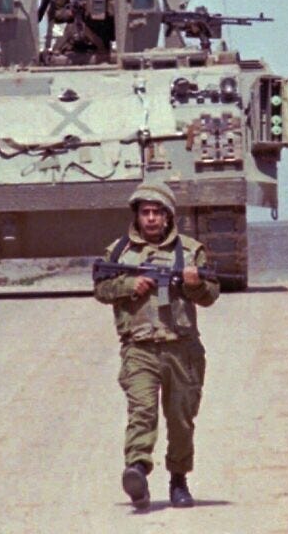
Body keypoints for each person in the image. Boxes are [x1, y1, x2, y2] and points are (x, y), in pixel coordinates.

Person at [93, 177, 220, 509]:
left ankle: (179, 480)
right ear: (136, 215)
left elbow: (210, 295)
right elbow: (101, 289)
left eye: (157, 212)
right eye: (145, 212)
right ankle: (137, 469)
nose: (150, 218)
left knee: (180, 419)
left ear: (168, 216)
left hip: (182, 350)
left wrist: (192, 285)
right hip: (139, 349)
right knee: (142, 412)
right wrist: (131, 286)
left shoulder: (190, 252)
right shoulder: (118, 252)